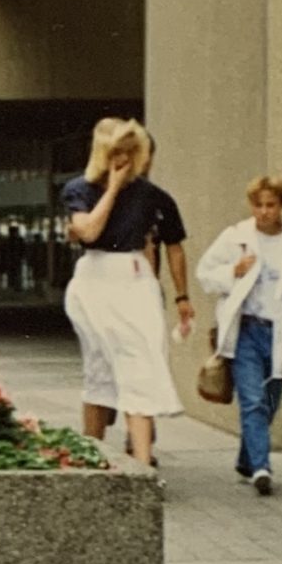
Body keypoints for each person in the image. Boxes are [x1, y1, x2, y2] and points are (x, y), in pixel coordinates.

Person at [196, 172, 282, 494]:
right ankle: (261, 467)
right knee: (253, 400)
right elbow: (205, 273)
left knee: (270, 402)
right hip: (247, 329)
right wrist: (233, 271)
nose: (264, 212)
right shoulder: (236, 238)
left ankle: (247, 459)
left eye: (271, 205)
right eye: (258, 205)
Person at [61, 118, 185, 464]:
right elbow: (88, 232)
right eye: (118, 152)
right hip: (94, 279)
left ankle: (142, 460)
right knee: (99, 369)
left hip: (133, 279)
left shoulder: (152, 196)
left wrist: (181, 296)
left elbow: (173, 244)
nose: (126, 160)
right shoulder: (80, 189)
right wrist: (113, 189)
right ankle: (92, 453)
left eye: (132, 152)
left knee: (139, 367)